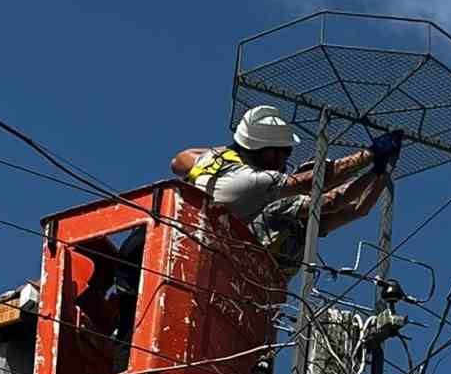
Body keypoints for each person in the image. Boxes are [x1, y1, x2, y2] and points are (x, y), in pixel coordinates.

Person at [171, 104, 403, 276]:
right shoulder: (265, 191)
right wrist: (371, 155)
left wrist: (378, 173)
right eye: (285, 152)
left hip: (248, 280)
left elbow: (356, 209)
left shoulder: (216, 161)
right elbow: (327, 193)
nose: (285, 161)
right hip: (236, 273)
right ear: (267, 150)